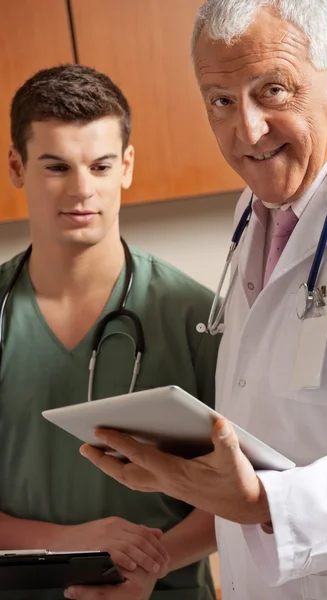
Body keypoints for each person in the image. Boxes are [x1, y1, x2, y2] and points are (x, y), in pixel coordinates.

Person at [76, 0, 327, 599]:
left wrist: (260, 501)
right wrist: (190, 477)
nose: (246, 131)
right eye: (220, 101)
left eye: (272, 90)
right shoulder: (259, 213)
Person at [0, 64, 220, 600]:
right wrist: (70, 543)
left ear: (126, 166)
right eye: (56, 167)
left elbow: (246, 491)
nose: (81, 190)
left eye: (99, 166)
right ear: (16, 168)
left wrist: (151, 562)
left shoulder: (197, 316)